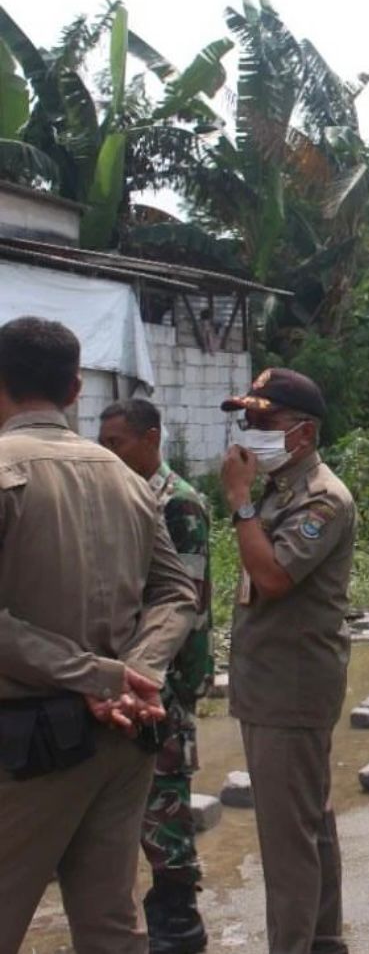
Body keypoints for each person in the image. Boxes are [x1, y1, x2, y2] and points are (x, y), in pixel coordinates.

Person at [0, 316, 197, 954]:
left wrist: (103, 677)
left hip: (29, 743)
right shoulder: (131, 481)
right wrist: (133, 675)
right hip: (124, 739)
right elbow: (177, 594)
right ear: (75, 388)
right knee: (110, 924)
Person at [219, 367, 356, 954]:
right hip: (274, 680)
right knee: (309, 823)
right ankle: (323, 939)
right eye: (246, 421)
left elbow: (272, 577)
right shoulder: (283, 488)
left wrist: (240, 503)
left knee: (286, 840)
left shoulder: (322, 497)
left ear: (301, 432)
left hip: (290, 688)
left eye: (262, 422)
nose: (250, 433)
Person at [99, 398, 212, 954]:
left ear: (151, 439)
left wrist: (157, 679)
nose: (108, 453)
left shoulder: (178, 505)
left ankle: (178, 926)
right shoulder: (123, 496)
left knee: (166, 802)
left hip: (164, 678)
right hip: (127, 676)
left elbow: (180, 603)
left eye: (116, 442)